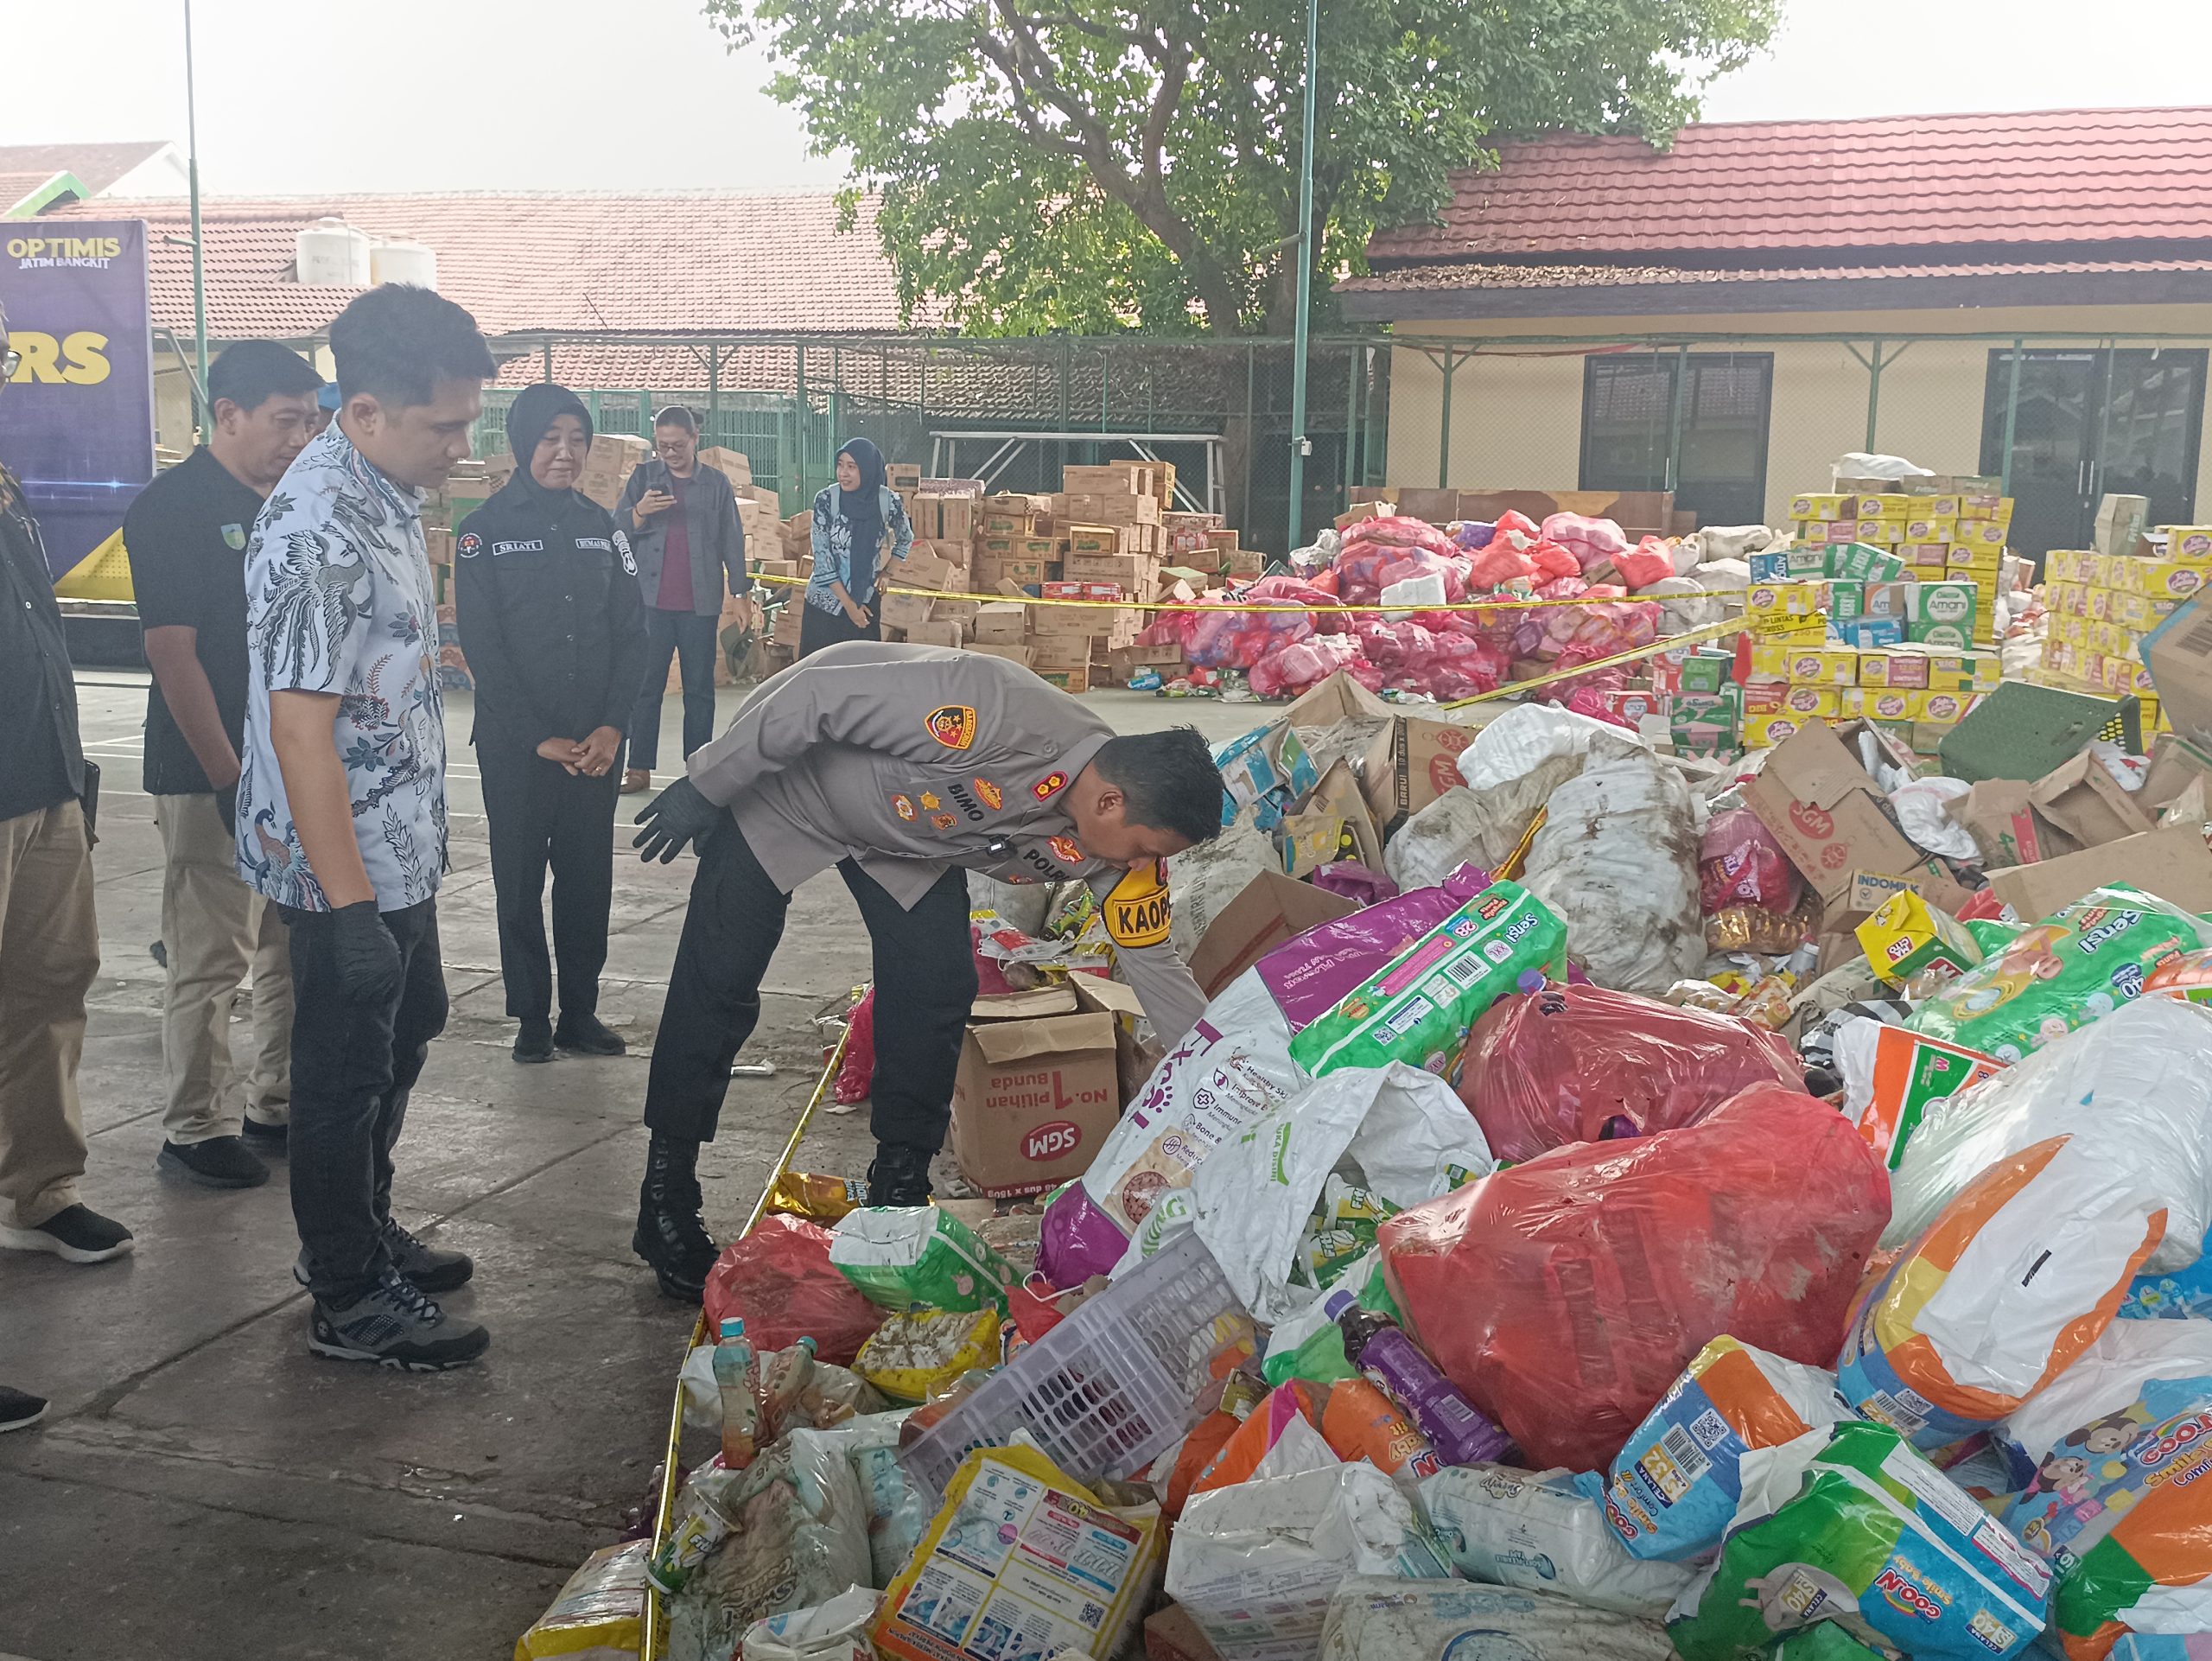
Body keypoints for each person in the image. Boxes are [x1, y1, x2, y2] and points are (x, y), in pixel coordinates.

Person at [626, 642, 1224, 1300]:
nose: (1143, 864)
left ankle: (898, 1189)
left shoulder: (1122, 855)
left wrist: (1221, 1069)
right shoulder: (993, 709)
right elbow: (813, 699)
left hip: (907, 844)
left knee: (936, 985)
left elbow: (1153, 962)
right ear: (1110, 802)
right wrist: (708, 783)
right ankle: (667, 1197)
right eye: (1146, 848)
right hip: (795, 795)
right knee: (719, 980)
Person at [236, 283, 495, 1371]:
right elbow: (300, 731)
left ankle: (368, 1223)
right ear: (368, 409)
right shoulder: (316, 529)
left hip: (398, 842)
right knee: (342, 1069)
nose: (460, 446)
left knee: (412, 1018)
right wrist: (346, 911)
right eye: (445, 426)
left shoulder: (388, 491)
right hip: (339, 860)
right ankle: (345, 1289)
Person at [125, 340, 322, 1190]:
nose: (300, 437)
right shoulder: (171, 508)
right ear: (229, 415)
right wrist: (231, 774)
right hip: (213, 771)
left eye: (310, 421)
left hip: (296, 766)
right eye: (285, 420)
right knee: (213, 953)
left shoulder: (297, 504)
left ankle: (276, 1100)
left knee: (288, 944)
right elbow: (175, 654)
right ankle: (195, 1123)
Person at [454, 384, 649, 1063]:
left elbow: (633, 633)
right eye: (550, 438)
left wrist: (612, 727)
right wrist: (536, 734)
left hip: (593, 748)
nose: (564, 453)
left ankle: (580, 1013)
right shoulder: (482, 531)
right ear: (521, 443)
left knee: (587, 881)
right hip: (517, 748)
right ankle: (532, 1015)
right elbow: (482, 644)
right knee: (517, 882)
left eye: (577, 439)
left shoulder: (605, 529)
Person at [0, 299, 135, 1274]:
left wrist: (72, 786)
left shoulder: (9, 493)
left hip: (42, 781)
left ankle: (39, 1186)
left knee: (52, 986)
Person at [615, 406, 750, 793]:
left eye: (677, 445)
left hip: (700, 604)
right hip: (650, 602)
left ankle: (698, 768)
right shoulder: (643, 477)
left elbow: (732, 540)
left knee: (699, 690)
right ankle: (638, 767)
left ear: (695, 439)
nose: (669, 453)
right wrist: (639, 511)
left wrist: (740, 595)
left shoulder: (717, 485)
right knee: (646, 686)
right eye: (662, 446)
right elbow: (615, 530)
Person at [798, 437, 912, 659]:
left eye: (852, 467)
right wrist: (850, 607)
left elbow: (906, 538)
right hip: (826, 606)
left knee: (862, 679)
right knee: (819, 678)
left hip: (866, 604)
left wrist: (887, 572)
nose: (843, 473)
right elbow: (823, 561)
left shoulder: (888, 502)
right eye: (840, 464)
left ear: (868, 469)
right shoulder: (826, 500)